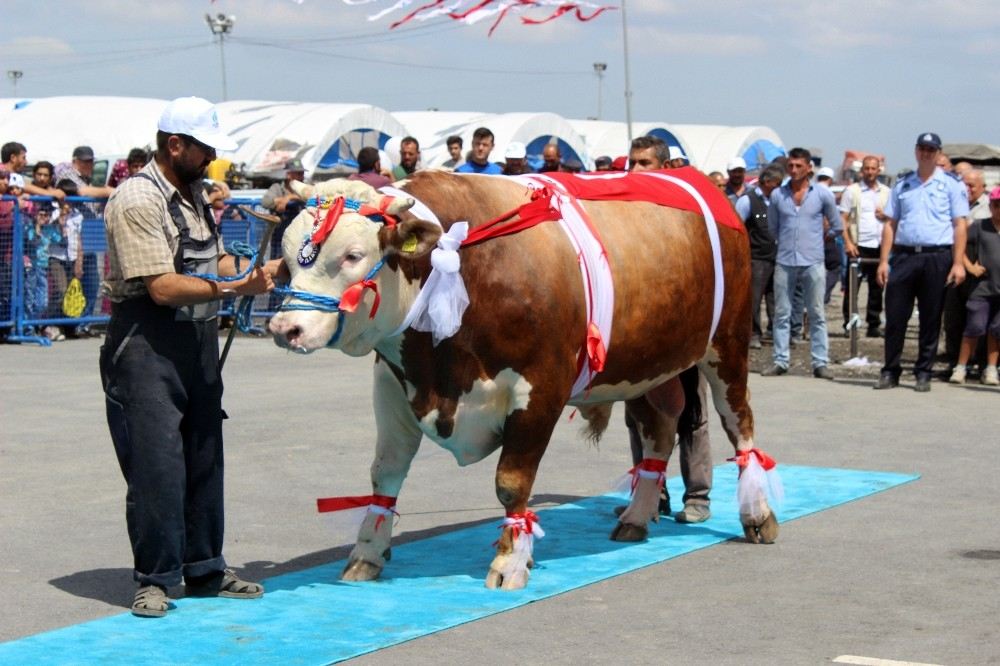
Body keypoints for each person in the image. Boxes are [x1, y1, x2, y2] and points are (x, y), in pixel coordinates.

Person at [101, 96, 279, 618]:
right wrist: (231, 289)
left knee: (205, 454)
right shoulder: (139, 198)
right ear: (174, 144)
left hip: (195, 339)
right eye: (204, 149)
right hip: (147, 342)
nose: (211, 159)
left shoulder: (193, 192)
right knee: (157, 466)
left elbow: (210, 257)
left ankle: (204, 567)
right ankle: (154, 578)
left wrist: (248, 267)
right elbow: (160, 286)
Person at [619, 137, 713, 524]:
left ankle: (698, 496)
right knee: (638, 414)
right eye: (632, 162)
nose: (636, 170)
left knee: (690, 412)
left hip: (682, 331)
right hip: (639, 333)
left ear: (664, 166)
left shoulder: (685, 212)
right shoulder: (622, 213)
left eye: (645, 163)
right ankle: (651, 494)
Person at [875, 132, 968, 392]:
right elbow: (890, 224)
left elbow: (960, 225)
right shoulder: (903, 184)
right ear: (916, 151)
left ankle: (923, 371)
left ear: (938, 153)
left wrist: (958, 263)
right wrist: (884, 261)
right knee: (894, 317)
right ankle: (890, 370)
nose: (926, 153)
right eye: (922, 148)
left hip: (937, 256)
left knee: (930, 317)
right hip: (904, 256)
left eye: (931, 149)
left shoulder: (951, 184)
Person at [761, 147, 842, 379]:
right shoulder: (778, 195)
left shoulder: (822, 194)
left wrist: (821, 236)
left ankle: (820, 362)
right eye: (791, 166)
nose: (794, 170)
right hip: (785, 260)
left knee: (816, 313)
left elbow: (837, 225)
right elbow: (773, 227)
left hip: (813, 260)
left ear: (808, 168)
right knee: (782, 313)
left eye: (799, 166)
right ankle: (780, 360)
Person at [950, 186, 1000, 385]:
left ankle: (990, 369)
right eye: (996, 206)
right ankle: (960, 367)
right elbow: (958, 245)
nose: (999, 210)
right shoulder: (980, 226)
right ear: (991, 206)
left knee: (997, 330)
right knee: (975, 326)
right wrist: (970, 267)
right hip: (983, 287)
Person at [943, 169, 990, 370]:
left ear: (982, 187)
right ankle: (955, 362)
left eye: (972, 185)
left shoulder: (990, 208)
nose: (967, 189)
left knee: (980, 321)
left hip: (981, 272)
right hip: (956, 267)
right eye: (965, 185)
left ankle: (981, 362)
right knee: (953, 319)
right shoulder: (953, 204)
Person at [840, 156, 891, 338]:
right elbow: (843, 219)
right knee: (853, 287)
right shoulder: (852, 191)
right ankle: (849, 323)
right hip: (858, 244)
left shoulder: (886, 192)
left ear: (879, 170)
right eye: (867, 169)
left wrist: (885, 215)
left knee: (877, 287)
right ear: (862, 171)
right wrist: (847, 242)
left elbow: (893, 219)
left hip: (879, 245)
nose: (870, 172)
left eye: (873, 169)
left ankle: (873, 323)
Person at [735, 164, 783, 348]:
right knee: (754, 299)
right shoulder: (748, 200)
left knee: (774, 298)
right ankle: (753, 333)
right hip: (756, 258)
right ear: (768, 182)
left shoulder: (776, 200)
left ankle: (773, 332)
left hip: (776, 257)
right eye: (776, 183)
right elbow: (738, 227)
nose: (778, 187)